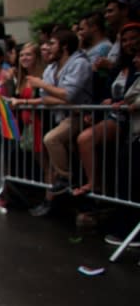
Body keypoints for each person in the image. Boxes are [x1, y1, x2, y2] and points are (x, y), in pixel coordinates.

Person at [27, 29, 93, 216]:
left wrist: (44, 86)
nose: (47, 47)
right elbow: (46, 98)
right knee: (68, 154)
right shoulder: (51, 68)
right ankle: (71, 194)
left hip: (80, 115)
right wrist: (56, 95)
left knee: (51, 139)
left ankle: (65, 178)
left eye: (52, 44)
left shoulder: (80, 64)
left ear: (64, 47)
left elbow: (68, 94)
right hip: (61, 116)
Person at [73, 22, 140, 197]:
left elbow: (131, 94)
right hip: (114, 115)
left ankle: (95, 184)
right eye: (124, 40)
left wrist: (118, 101)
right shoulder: (117, 67)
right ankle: (97, 186)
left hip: (128, 119)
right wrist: (95, 112)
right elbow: (104, 93)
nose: (128, 43)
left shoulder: (135, 67)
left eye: (133, 38)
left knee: (85, 139)